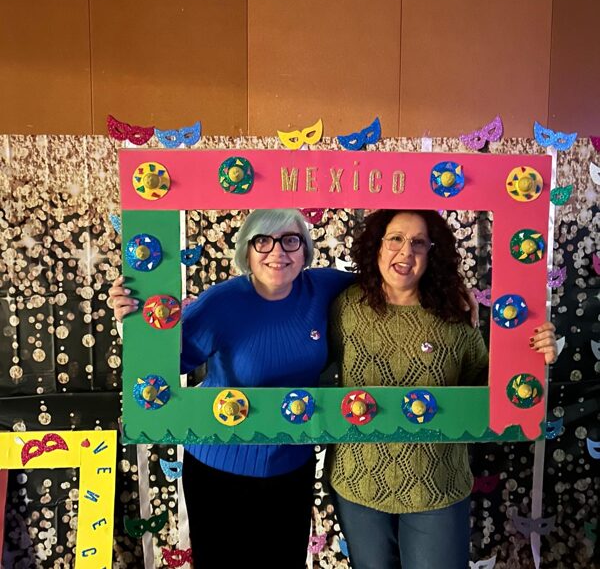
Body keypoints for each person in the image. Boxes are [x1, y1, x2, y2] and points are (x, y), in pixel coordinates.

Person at [109, 209, 355, 568]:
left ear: (305, 249)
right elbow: (166, 364)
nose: (277, 252)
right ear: (246, 251)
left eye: (290, 240)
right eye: (263, 241)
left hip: (292, 465)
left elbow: (387, 281)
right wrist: (130, 321)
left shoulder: (325, 288)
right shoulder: (221, 302)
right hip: (218, 467)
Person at [326, 209, 558, 569]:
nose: (406, 252)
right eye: (395, 239)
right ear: (377, 245)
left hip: (437, 485)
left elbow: (485, 384)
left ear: (432, 253)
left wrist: (531, 355)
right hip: (358, 483)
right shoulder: (345, 307)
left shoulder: (453, 314)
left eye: (419, 242)